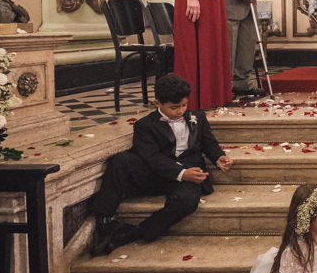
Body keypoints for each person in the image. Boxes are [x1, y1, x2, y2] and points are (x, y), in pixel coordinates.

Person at [89, 74, 232, 256]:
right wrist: (181, 172)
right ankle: (104, 220)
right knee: (122, 160)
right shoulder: (144, 125)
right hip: (157, 174)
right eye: (174, 107)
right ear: (157, 103)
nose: (181, 111)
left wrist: (219, 157)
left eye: (184, 105)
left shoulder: (198, 118)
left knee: (187, 201)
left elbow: (208, 143)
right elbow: (151, 157)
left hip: (189, 175)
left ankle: (137, 232)